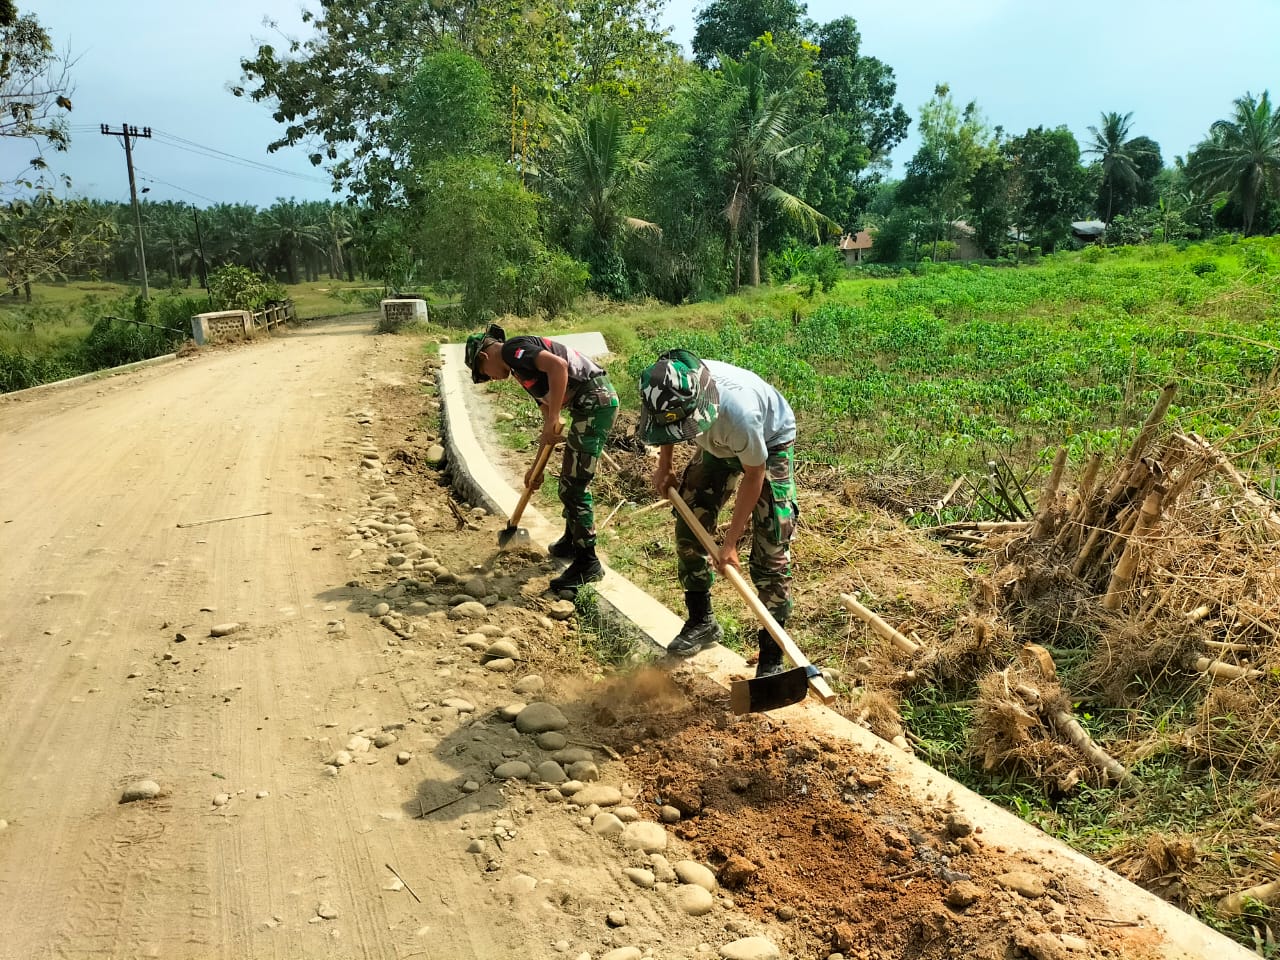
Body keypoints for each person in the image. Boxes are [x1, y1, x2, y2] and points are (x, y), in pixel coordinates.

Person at [637, 348, 799, 678]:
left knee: (771, 547)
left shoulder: (738, 415)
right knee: (689, 524)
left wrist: (730, 543)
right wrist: (664, 466)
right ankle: (701, 620)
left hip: (769, 441)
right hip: (717, 445)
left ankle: (771, 655)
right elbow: (664, 425)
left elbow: (754, 475)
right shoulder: (661, 390)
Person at [465, 324, 619, 592]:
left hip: (596, 402)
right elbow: (548, 414)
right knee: (569, 482)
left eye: (484, 375)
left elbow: (558, 366)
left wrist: (555, 417)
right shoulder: (520, 370)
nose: (492, 380)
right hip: (588, 405)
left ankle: (588, 562)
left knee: (574, 487)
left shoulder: (513, 350)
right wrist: (535, 467)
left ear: (484, 358)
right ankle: (572, 541)